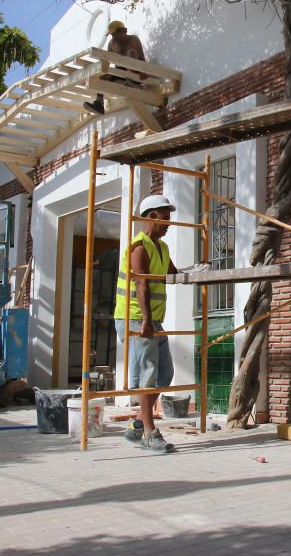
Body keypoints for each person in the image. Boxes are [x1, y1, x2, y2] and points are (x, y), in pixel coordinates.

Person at [114, 194, 180, 453]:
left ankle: (137, 426)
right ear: (150, 218)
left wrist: (199, 271)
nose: (169, 224)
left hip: (152, 321)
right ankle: (150, 434)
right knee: (148, 375)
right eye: (165, 219)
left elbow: (173, 273)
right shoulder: (138, 247)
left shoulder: (162, 248)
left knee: (165, 374)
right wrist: (145, 321)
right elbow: (141, 284)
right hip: (137, 319)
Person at [83, 20, 148, 115]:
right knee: (102, 78)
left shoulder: (133, 39)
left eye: (115, 34)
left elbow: (141, 57)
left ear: (124, 31)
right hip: (120, 73)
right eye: (112, 35)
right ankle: (99, 104)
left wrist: (143, 71)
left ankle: (131, 82)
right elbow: (106, 62)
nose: (113, 37)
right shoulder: (112, 43)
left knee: (131, 52)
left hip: (135, 73)